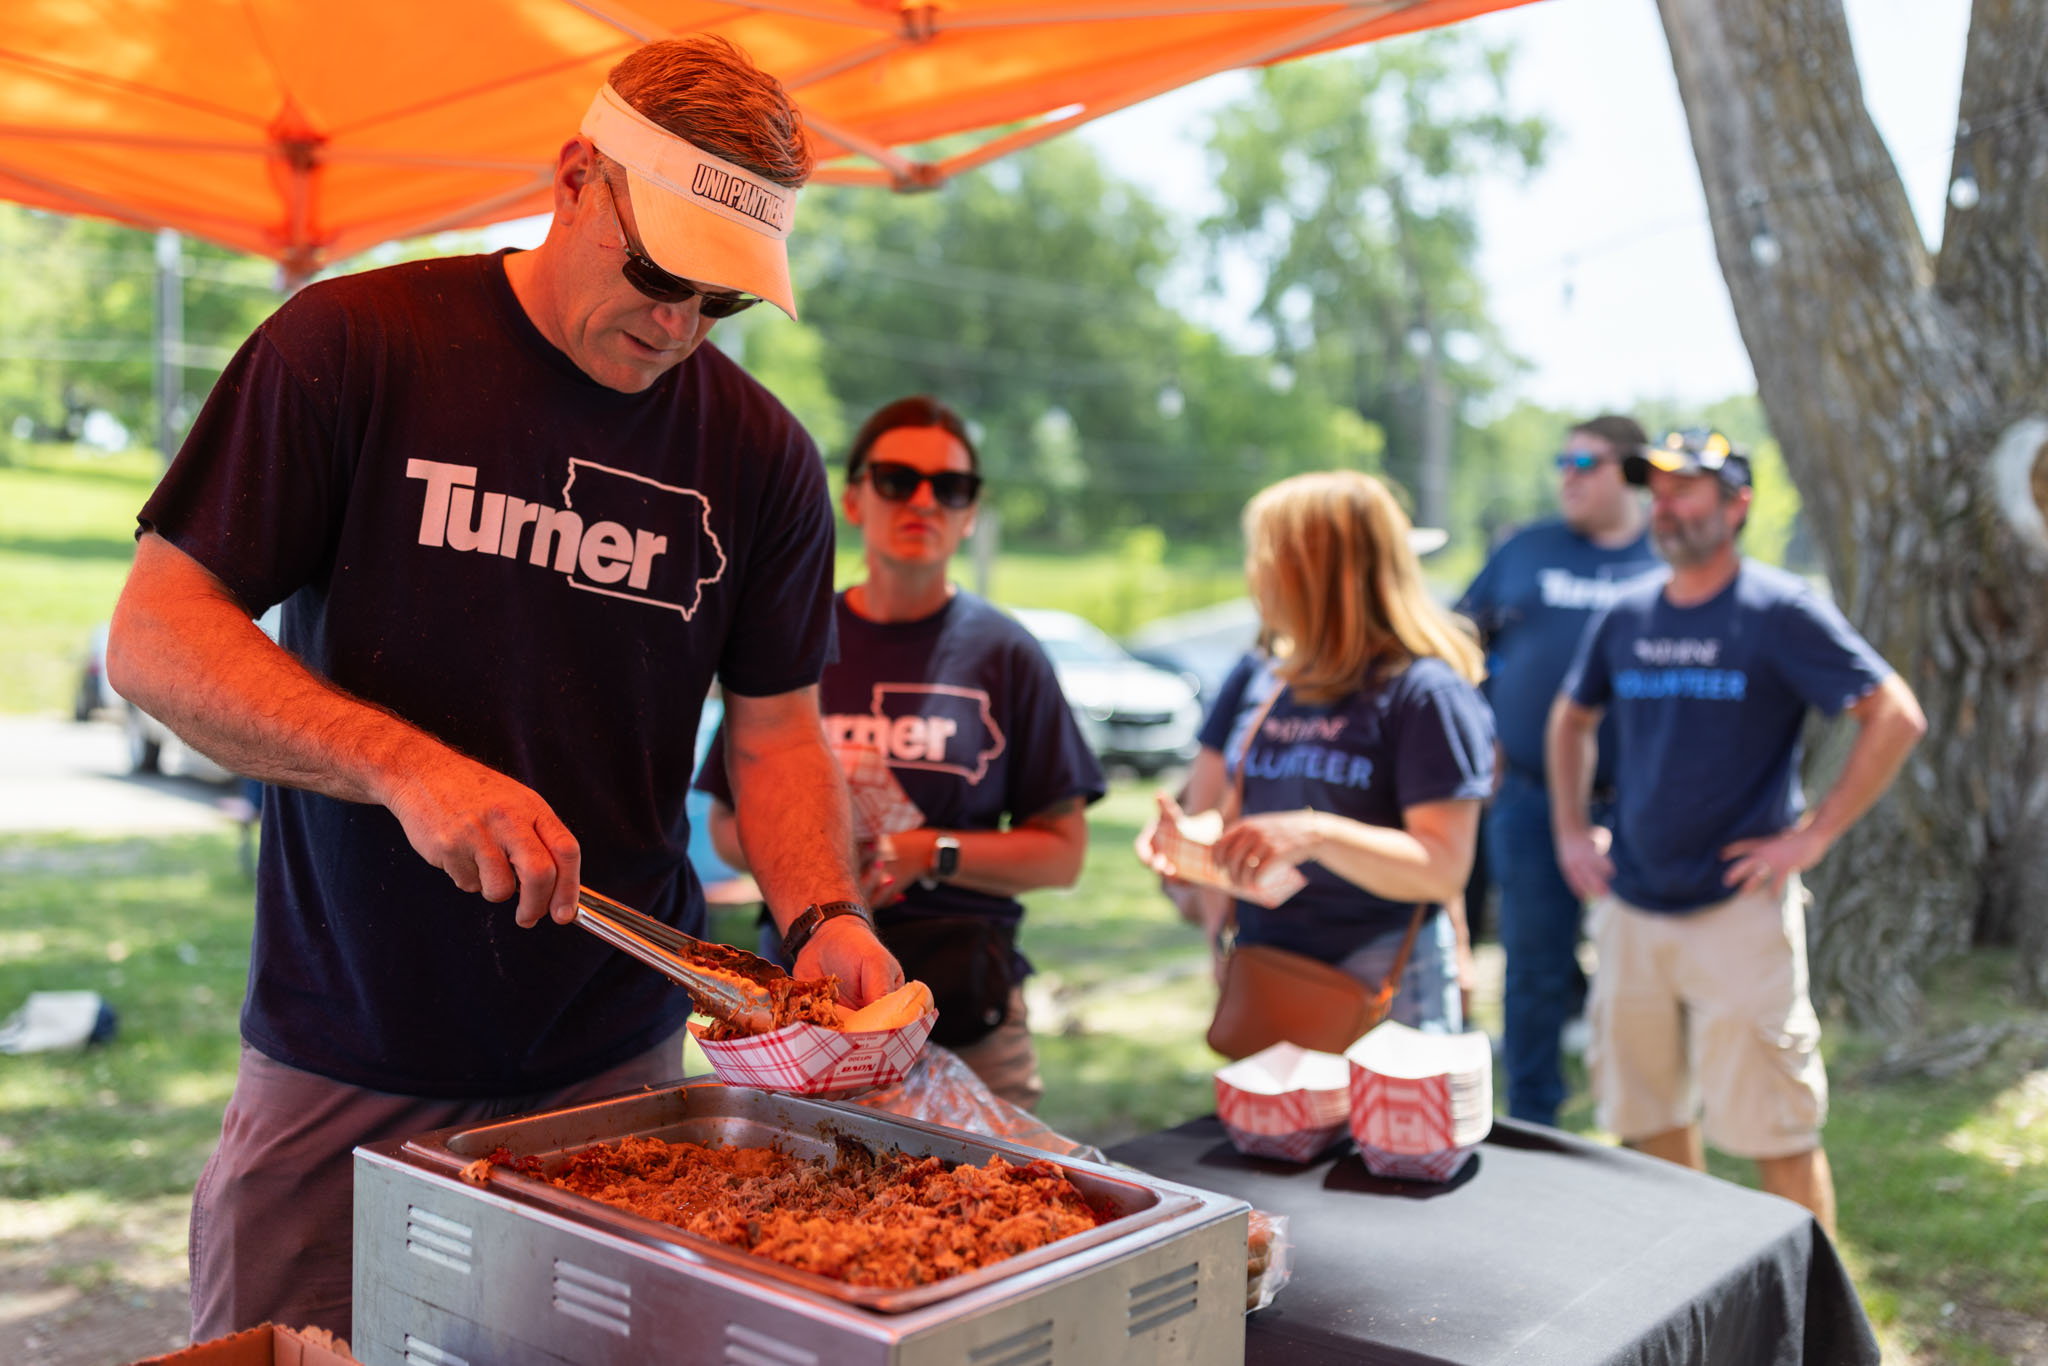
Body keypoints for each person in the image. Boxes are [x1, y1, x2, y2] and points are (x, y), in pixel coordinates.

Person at [103, 37, 899, 1340]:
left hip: (613, 1058)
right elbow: (157, 636)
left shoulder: (762, 459)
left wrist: (821, 916)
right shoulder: (352, 347)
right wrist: (404, 766)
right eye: (658, 273)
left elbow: (775, 733)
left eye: (725, 302)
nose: (679, 323)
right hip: (343, 1046)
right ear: (577, 175)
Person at [1547, 430, 1925, 1237]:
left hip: (1739, 913)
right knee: (1645, 1126)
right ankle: (1691, 1298)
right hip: (1633, 910)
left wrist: (1812, 835)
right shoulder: (1627, 613)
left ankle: (1810, 1330)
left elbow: (1893, 715)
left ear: (1737, 504)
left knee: (1775, 1133)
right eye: (1659, 489)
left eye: (1688, 490)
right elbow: (1570, 719)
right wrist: (1573, 830)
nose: (1668, 506)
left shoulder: (1779, 610)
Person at [698, 397, 1105, 1109]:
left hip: (967, 1011)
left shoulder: (1006, 653)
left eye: (950, 488)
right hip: (809, 1010)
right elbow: (727, 831)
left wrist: (930, 851)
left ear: (971, 513)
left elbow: (1063, 853)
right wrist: (821, 865)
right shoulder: (790, 632)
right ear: (854, 500)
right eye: (896, 480)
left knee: (997, 1207)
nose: (924, 500)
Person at [1141, 471, 1495, 1036]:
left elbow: (1443, 865)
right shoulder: (1269, 678)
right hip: (1269, 961)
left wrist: (1316, 834)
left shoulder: (1424, 692)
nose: (1253, 573)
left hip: (1382, 982)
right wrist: (1190, 840)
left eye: (1265, 554)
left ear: (1318, 571)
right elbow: (1236, 811)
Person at [1457, 414, 1662, 1126]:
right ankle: (1532, 1120)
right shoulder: (1525, 551)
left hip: (1648, 807)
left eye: (1586, 460)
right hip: (1532, 799)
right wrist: (1477, 724)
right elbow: (1455, 642)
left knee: (1651, 971)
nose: (1567, 473)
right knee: (1534, 967)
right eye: (1561, 459)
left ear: (1633, 472)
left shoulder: (1667, 556)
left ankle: (1649, 1118)